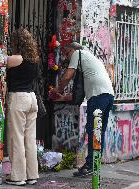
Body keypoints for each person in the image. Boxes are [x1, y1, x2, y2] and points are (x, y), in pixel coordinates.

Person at [51, 42, 114, 177]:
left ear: (72, 50)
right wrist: (63, 97)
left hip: (98, 96)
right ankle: (94, 164)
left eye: (67, 54)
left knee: (93, 130)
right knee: (98, 131)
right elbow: (79, 93)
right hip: (107, 95)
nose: (67, 58)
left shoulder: (78, 54)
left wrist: (57, 90)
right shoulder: (89, 61)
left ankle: (91, 165)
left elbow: (67, 76)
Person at [4, 28, 39, 186]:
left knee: (16, 139)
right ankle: (32, 175)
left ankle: (18, 177)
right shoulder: (33, 59)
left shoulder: (16, 59)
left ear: (16, 42)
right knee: (29, 140)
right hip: (32, 98)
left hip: (19, 99)